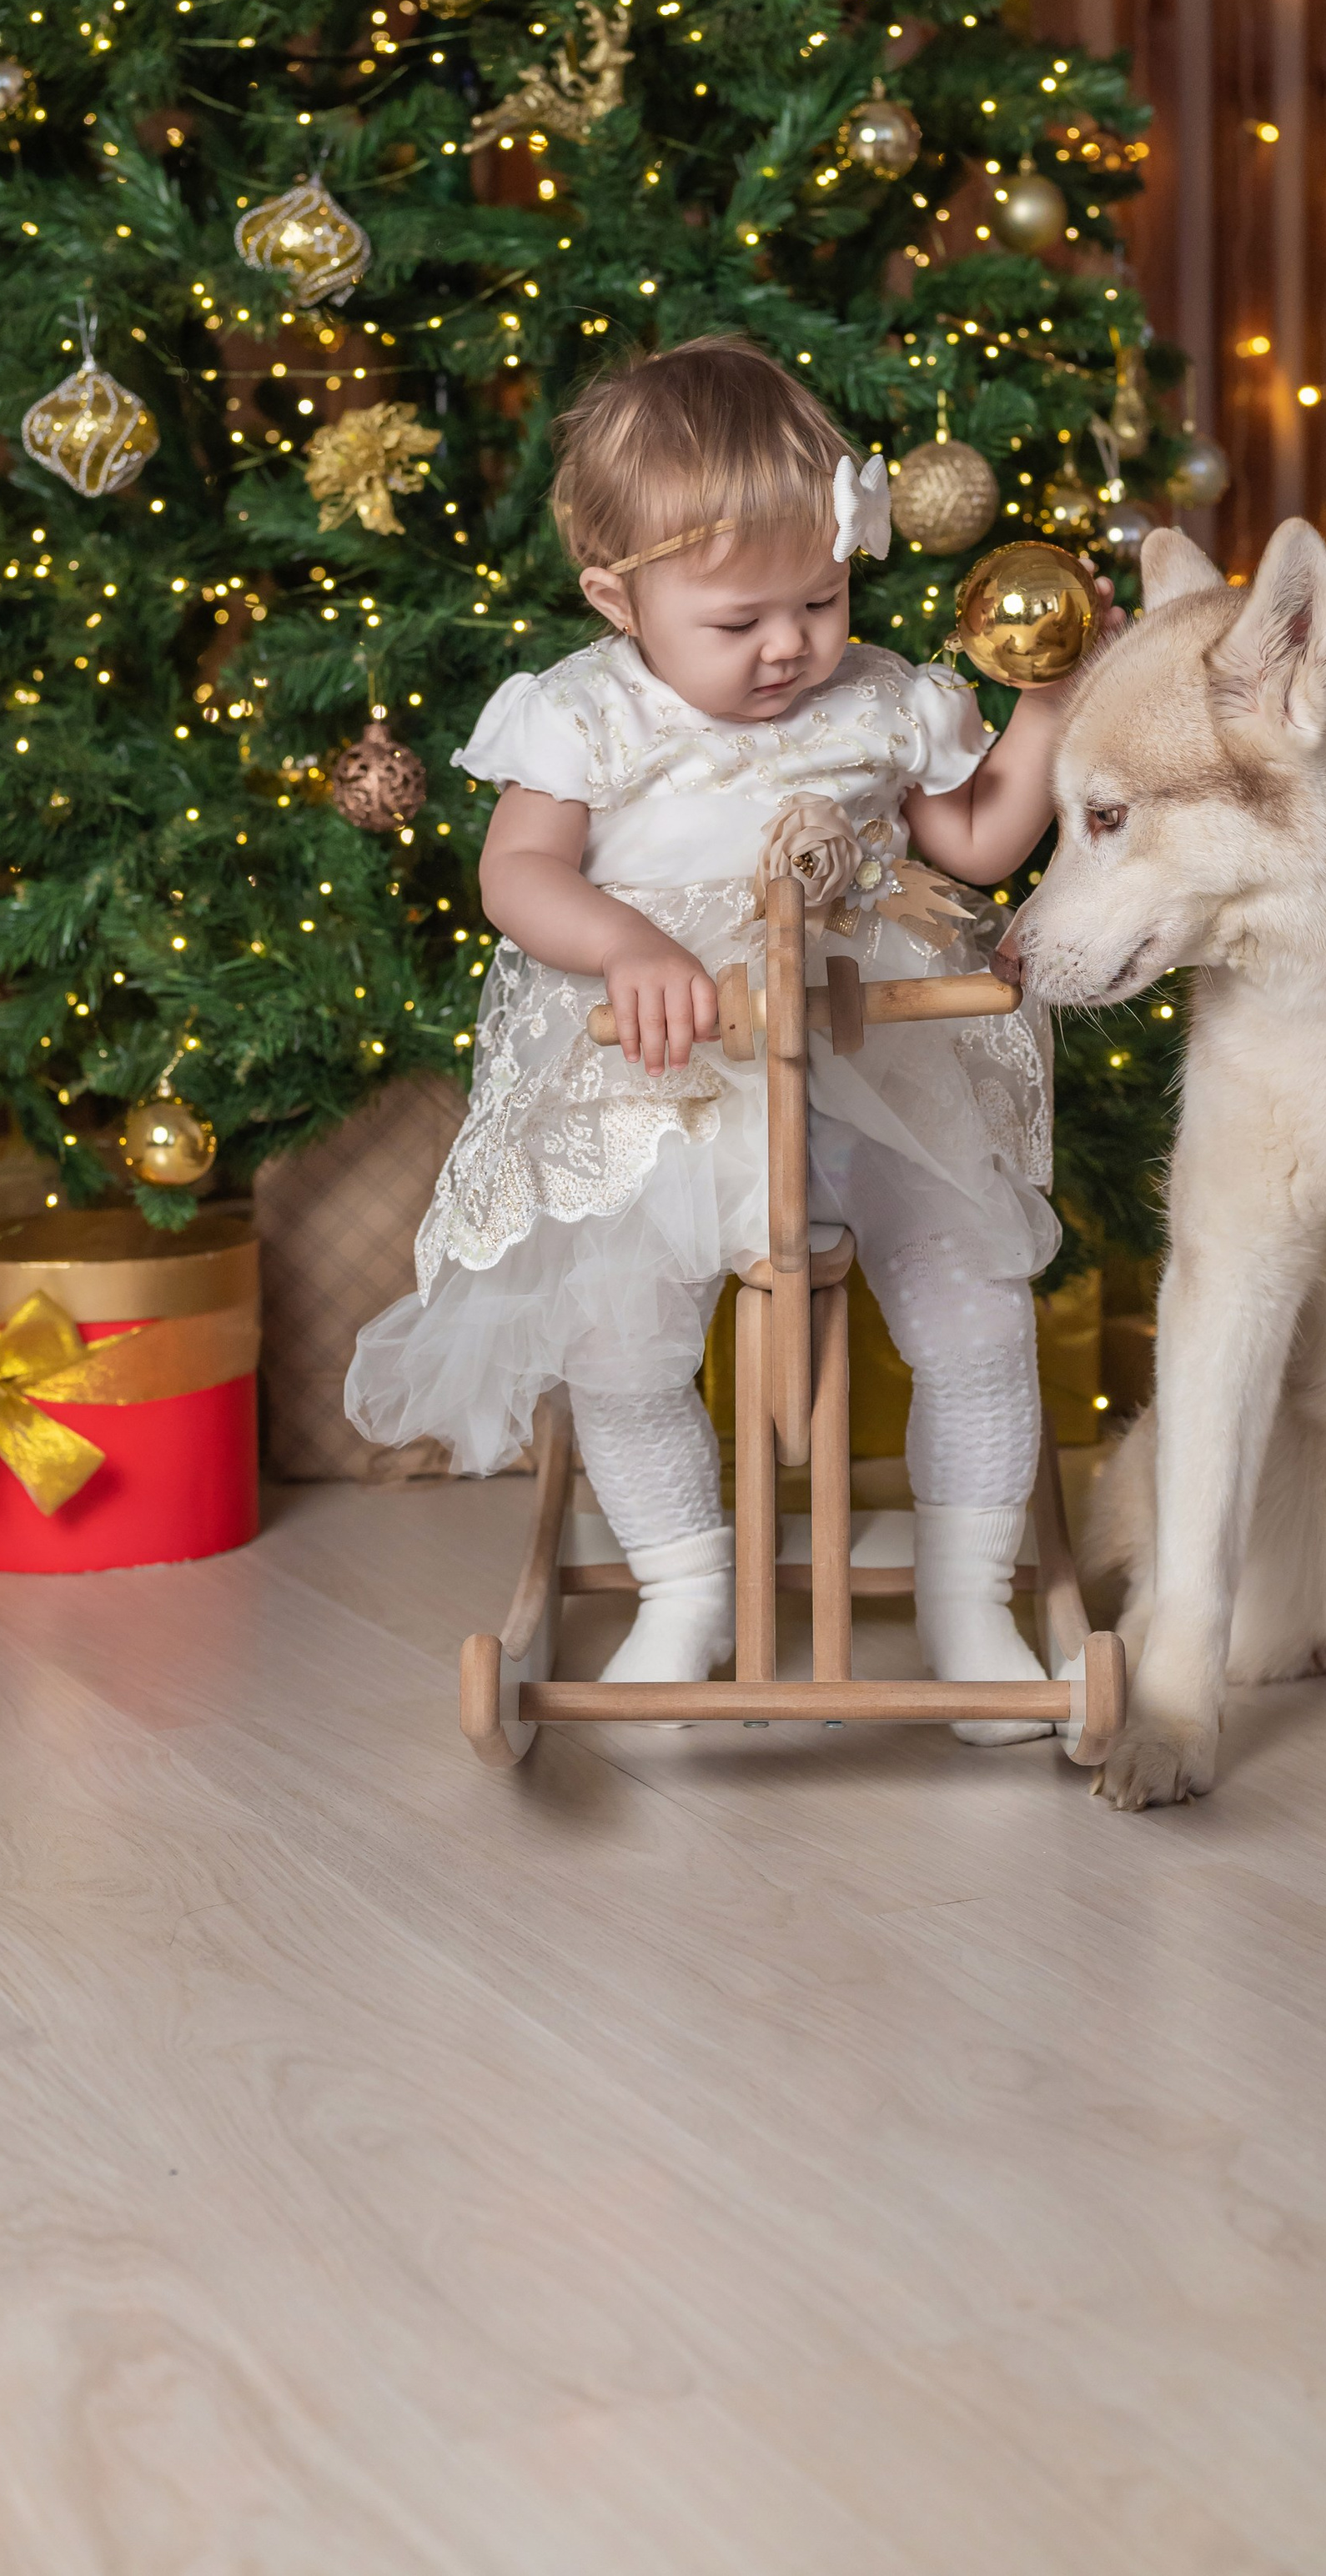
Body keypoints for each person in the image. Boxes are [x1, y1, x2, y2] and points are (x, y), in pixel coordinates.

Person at [347, 337, 1108, 1737]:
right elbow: (516, 876)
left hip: (878, 1050)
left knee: (974, 1306)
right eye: (739, 620)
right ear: (615, 598)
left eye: (821, 599)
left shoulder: (880, 696)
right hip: (671, 1069)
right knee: (621, 1334)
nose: (789, 647)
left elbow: (982, 840)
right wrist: (626, 943)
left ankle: (967, 1597)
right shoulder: (583, 712)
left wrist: (1049, 704)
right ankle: (685, 1587)